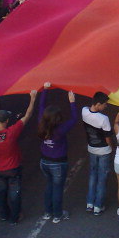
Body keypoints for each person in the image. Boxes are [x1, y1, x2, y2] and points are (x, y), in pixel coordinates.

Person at [0, 90, 37, 225]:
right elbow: (28, 115)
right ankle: (15, 217)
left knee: (1, 192)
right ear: (7, 120)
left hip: (0, 169)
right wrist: (33, 98)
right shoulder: (12, 132)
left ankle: (4, 214)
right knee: (14, 193)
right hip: (14, 168)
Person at [37, 83, 78, 223]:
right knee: (58, 189)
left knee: (49, 186)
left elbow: (41, 106)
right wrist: (72, 102)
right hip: (58, 163)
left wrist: (45, 89)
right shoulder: (61, 129)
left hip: (44, 161)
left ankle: (47, 212)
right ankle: (57, 215)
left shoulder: (41, 123)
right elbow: (74, 119)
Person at [82, 91, 113, 215]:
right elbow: (108, 137)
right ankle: (98, 206)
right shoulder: (104, 119)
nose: (106, 106)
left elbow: (87, 108)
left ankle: (90, 203)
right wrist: (112, 148)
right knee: (102, 178)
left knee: (92, 175)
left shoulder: (84, 111)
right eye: (105, 104)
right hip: (104, 150)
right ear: (98, 104)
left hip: (91, 148)